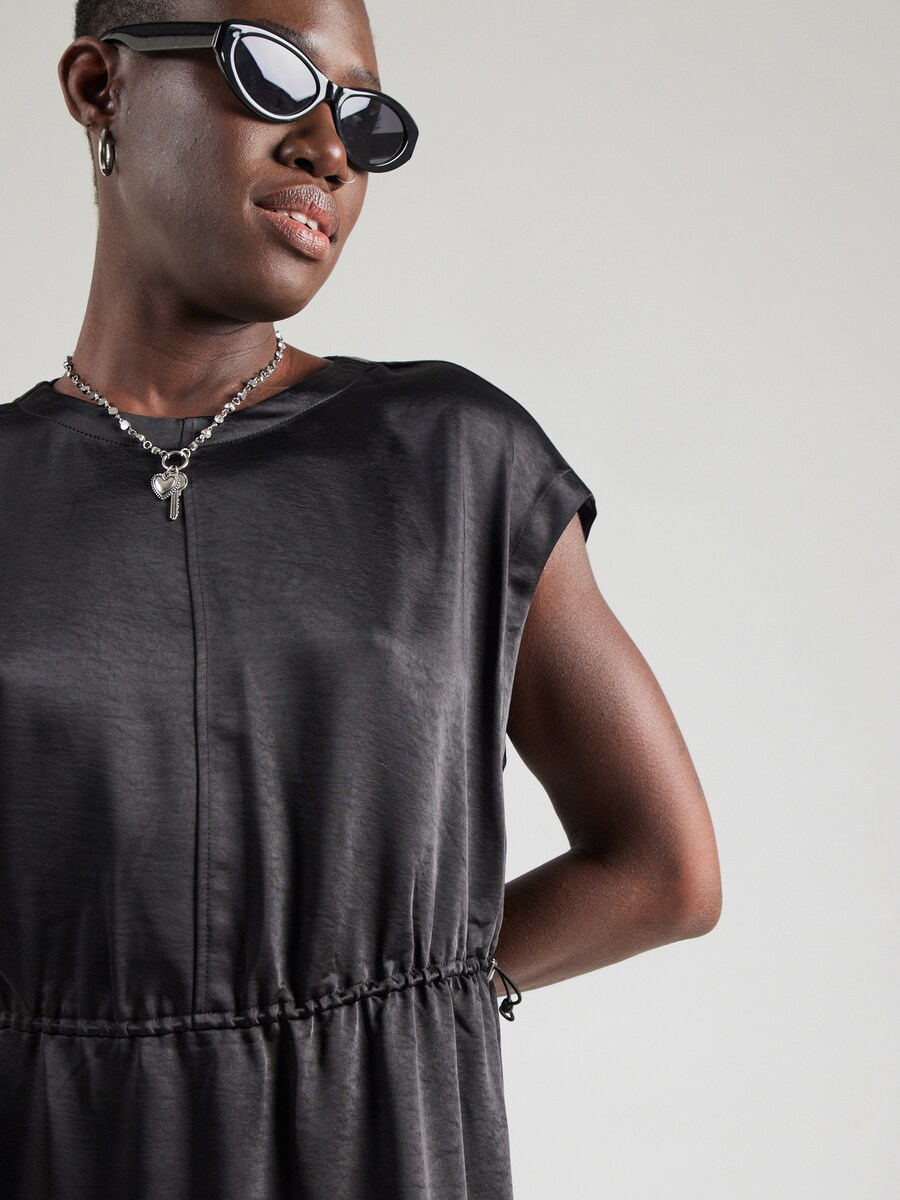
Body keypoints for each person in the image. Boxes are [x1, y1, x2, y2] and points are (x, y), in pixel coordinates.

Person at [0, 1, 722, 1196]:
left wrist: (412, 1005)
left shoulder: (451, 459)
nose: (329, 148)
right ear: (98, 86)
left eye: (364, 118)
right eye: (270, 73)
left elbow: (664, 871)